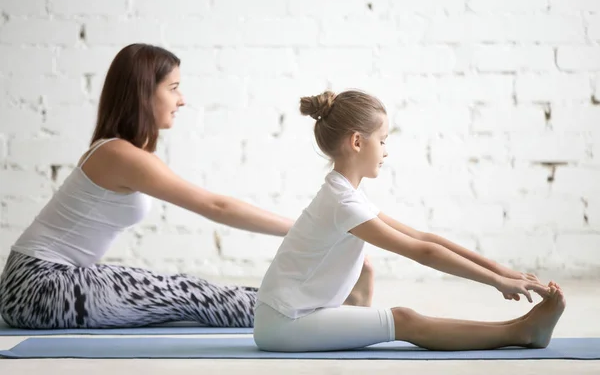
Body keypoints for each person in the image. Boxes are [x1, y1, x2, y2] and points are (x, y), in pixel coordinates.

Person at [0, 44, 374, 329]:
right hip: (38, 288)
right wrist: (310, 230)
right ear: (144, 93)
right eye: (174, 88)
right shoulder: (120, 154)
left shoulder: (119, 151)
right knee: (192, 295)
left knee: (189, 290)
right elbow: (217, 207)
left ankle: (320, 307)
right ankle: (316, 315)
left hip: (39, 283)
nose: (182, 99)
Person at [253, 89, 567, 352]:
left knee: (370, 274)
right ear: (358, 142)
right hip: (285, 322)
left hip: (289, 313)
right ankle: (523, 332)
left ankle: (523, 326)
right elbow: (422, 253)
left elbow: (424, 238)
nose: (386, 152)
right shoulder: (343, 202)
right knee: (404, 320)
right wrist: (497, 282)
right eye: (383, 140)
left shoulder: (344, 193)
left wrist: (503, 271)